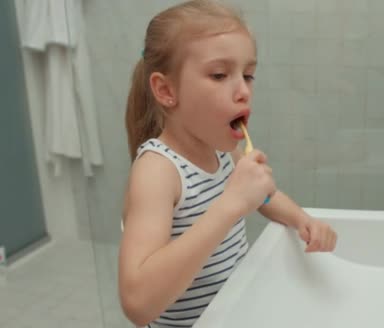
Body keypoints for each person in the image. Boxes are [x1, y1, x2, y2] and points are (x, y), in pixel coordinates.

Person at [118, 1, 337, 327]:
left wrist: (302, 220)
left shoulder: (224, 150)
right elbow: (137, 303)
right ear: (166, 90)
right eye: (219, 75)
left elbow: (265, 195)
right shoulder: (157, 171)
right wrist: (231, 204)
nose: (244, 91)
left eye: (248, 75)